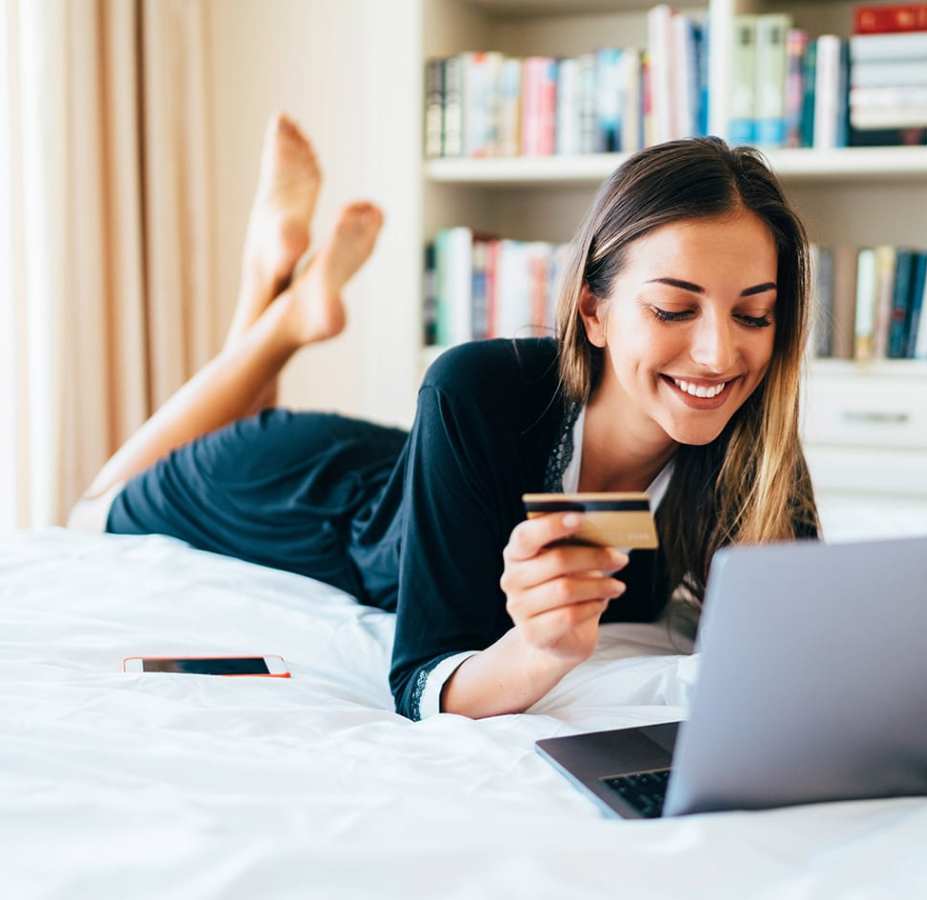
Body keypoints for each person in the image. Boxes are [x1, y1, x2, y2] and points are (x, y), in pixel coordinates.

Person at [68, 115, 822, 721]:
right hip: (302, 493)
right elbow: (421, 681)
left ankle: (280, 283)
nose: (719, 354)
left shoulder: (751, 439)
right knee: (94, 508)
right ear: (593, 310)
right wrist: (538, 652)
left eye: (754, 314)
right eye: (673, 309)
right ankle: (279, 313)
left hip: (418, 464)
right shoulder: (479, 386)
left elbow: (803, 657)